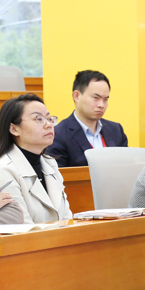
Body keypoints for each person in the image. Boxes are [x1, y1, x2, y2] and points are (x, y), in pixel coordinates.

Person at [0, 94, 72, 223]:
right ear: (14, 129)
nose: (49, 125)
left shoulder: (50, 163)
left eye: (49, 119)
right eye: (38, 119)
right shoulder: (4, 169)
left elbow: (67, 218)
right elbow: (22, 227)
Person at [46, 70, 128, 167]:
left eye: (105, 99)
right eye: (95, 98)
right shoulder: (58, 135)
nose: (101, 105)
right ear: (76, 96)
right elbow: (59, 174)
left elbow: (127, 166)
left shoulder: (116, 130)